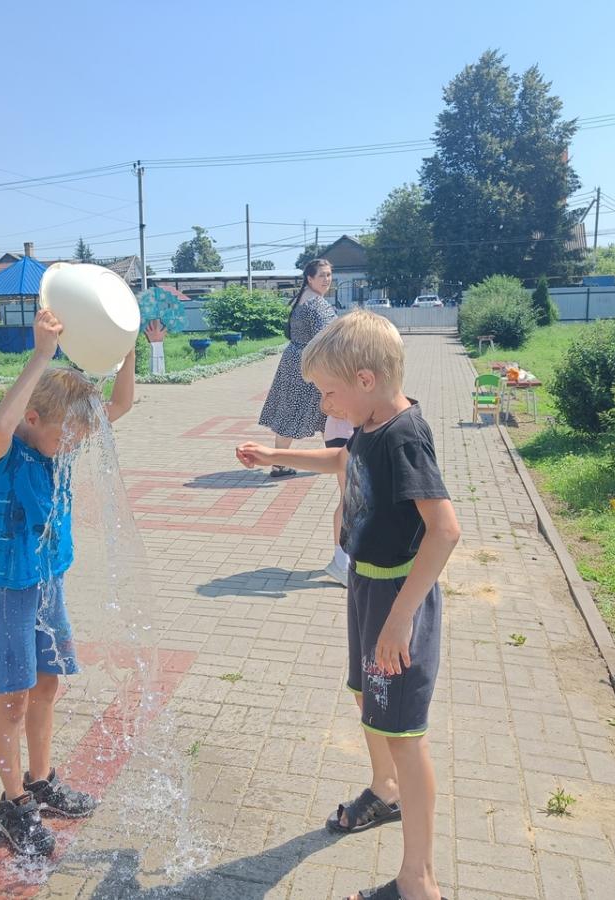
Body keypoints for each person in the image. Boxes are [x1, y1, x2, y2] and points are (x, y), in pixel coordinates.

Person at [236, 310, 460, 900]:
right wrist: (276, 456)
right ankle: (385, 791)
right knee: (366, 695)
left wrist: (401, 619)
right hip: (366, 585)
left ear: (365, 379)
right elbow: (343, 461)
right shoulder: (371, 423)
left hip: (396, 598)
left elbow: (445, 531)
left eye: (327, 393)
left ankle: (419, 882)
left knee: (405, 732)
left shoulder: (404, 436)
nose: (323, 406)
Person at [0, 308, 136, 856]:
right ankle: (14, 803)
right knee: (13, 700)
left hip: (49, 585)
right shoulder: (5, 453)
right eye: (66, 436)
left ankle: (41, 782)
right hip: (11, 591)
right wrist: (42, 353)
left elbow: (120, 406)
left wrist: (126, 348)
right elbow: (1, 424)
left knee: (48, 686)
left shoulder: (55, 442)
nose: (74, 445)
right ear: (34, 417)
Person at [258, 258, 351, 583]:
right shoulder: (316, 305)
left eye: (330, 275)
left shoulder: (302, 300)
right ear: (309, 278)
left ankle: (282, 462)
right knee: (318, 414)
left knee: (292, 415)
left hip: (296, 359)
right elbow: (334, 339)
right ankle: (321, 459)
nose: (327, 279)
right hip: (311, 364)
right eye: (322, 275)